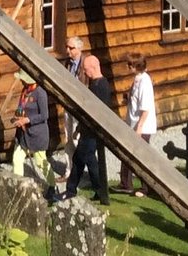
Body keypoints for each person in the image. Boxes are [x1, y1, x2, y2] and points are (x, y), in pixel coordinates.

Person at [63, 54, 110, 205]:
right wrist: (79, 128)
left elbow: (97, 111)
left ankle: (97, 189)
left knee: (86, 160)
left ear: (94, 68)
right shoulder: (94, 83)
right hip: (87, 130)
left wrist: (85, 127)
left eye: (86, 69)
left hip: (93, 131)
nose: (84, 72)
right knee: (82, 159)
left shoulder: (101, 86)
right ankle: (92, 190)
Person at [119, 53, 156, 195]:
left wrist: (139, 129)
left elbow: (145, 108)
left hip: (142, 126)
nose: (127, 67)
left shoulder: (145, 82)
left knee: (141, 157)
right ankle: (125, 184)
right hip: (133, 124)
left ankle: (145, 188)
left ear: (136, 66)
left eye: (129, 65)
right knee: (127, 153)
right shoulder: (137, 79)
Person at [11, 71, 50, 180]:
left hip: (37, 134)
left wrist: (27, 120)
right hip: (24, 134)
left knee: (41, 163)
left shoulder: (40, 93)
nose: (21, 81)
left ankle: (52, 186)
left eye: (22, 79)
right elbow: (22, 108)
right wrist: (18, 117)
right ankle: (18, 185)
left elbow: (44, 115)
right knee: (17, 158)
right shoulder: (25, 91)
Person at [61, 36, 84, 169]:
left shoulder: (85, 62)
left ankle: (78, 169)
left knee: (77, 137)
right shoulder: (68, 63)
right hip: (68, 105)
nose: (68, 51)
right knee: (68, 137)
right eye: (67, 47)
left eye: (71, 48)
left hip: (79, 107)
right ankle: (69, 170)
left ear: (79, 48)